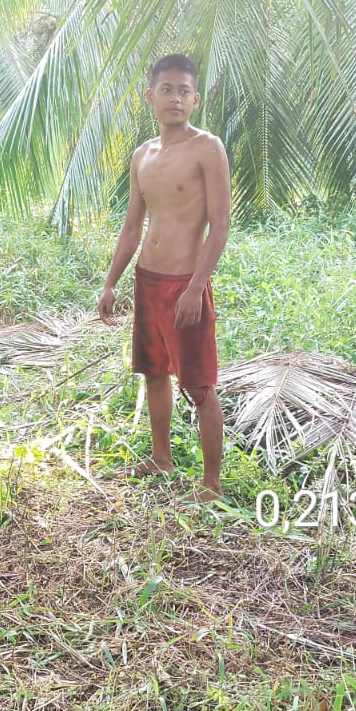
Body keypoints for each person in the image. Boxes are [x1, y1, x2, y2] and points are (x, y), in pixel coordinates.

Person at [97, 54, 231, 503]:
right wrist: (111, 280)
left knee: (198, 384)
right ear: (150, 95)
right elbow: (133, 225)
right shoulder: (143, 155)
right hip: (148, 280)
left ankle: (211, 484)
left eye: (184, 91)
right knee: (154, 374)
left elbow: (221, 225)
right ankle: (161, 459)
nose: (175, 98)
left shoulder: (207, 147)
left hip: (184, 285)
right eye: (167, 89)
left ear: (196, 99)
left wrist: (196, 287)